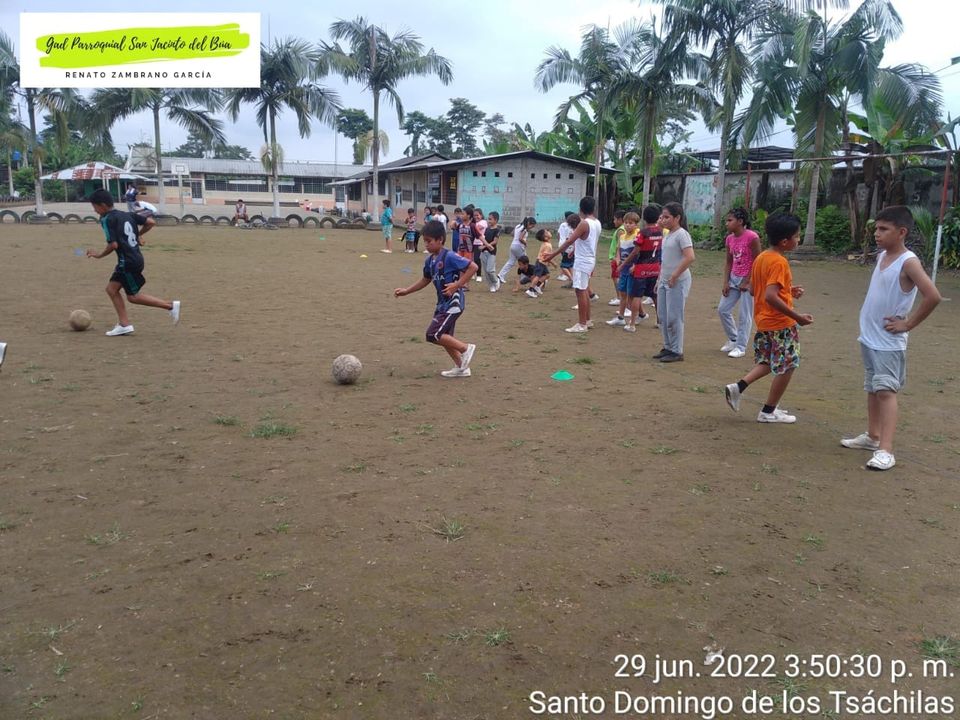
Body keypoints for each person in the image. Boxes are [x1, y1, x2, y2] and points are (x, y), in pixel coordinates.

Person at [840, 205, 941, 471]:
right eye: (876, 228)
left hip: (888, 343)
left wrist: (908, 324)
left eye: (884, 229)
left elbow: (933, 296)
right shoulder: (882, 256)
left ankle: (886, 450)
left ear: (902, 232)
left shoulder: (908, 262)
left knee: (886, 391)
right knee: (873, 389)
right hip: (869, 337)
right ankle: (873, 437)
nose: (877, 233)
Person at [723, 213, 812, 423]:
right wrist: (797, 317)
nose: (798, 240)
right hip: (780, 323)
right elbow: (770, 296)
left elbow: (755, 290)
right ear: (785, 241)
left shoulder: (762, 258)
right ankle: (768, 411)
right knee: (788, 365)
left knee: (768, 362)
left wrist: (788, 290)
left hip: (764, 322)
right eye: (797, 236)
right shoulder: (779, 262)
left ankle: (738, 387)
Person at [84, 188, 181, 337]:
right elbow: (150, 222)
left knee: (133, 297)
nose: (95, 210)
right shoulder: (127, 214)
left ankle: (170, 306)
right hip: (135, 258)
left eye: (94, 207)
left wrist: (98, 255)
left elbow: (113, 245)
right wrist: (137, 235)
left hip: (127, 262)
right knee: (111, 290)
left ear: (102, 205)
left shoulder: (106, 219)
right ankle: (124, 324)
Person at [394, 220, 478, 378]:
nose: (426, 245)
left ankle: (466, 348)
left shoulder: (450, 256)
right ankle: (462, 367)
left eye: (429, 241)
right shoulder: (429, 261)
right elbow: (425, 280)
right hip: (442, 304)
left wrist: (457, 285)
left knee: (433, 334)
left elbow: (473, 267)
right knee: (445, 337)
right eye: (424, 241)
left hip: (453, 303)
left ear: (440, 240)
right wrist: (407, 291)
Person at [547, 196, 601, 333]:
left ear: (580, 208)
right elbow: (586, 240)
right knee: (584, 289)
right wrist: (574, 251)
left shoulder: (584, 223)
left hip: (583, 261)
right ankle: (587, 321)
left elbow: (569, 241)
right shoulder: (597, 222)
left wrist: (552, 255)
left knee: (580, 291)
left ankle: (582, 324)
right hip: (589, 259)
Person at [654, 202, 695, 361]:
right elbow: (665, 260)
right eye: (662, 217)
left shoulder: (682, 234)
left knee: (674, 316)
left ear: (677, 218)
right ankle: (668, 346)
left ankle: (677, 350)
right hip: (665, 280)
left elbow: (689, 257)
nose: (663, 220)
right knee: (662, 316)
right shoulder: (668, 234)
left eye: (667, 217)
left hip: (677, 281)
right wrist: (660, 279)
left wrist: (675, 275)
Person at [719, 207, 762, 358]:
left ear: (740, 221)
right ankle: (733, 338)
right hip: (734, 277)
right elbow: (729, 262)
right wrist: (726, 282)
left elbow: (758, 260)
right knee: (723, 309)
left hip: (749, 280)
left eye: (730, 220)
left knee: (745, 314)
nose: (727, 223)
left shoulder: (752, 237)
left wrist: (747, 280)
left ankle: (741, 346)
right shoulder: (729, 239)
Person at [617, 204, 662, 332]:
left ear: (644, 218)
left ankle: (632, 324)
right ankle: (660, 321)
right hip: (655, 267)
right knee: (655, 295)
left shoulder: (643, 233)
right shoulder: (660, 232)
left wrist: (624, 264)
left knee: (636, 295)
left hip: (642, 268)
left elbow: (636, 251)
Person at [606, 211, 641, 327]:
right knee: (623, 293)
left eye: (631, 223)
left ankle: (635, 317)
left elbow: (639, 253)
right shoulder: (622, 236)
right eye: (626, 223)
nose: (627, 225)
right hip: (624, 269)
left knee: (631, 294)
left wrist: (636, 265)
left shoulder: (637, 236)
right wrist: (617, 259)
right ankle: (621, 317)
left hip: (632, 270)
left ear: (636, 224)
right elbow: (618, 250)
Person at [498, 216, 536, 285]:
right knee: (525, 262)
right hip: (519, 247)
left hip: (513, 245)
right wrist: (525, 243)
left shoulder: (518, 226)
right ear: (528, 223)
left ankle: (500, 275)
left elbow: (512, 234)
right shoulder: (525, 229)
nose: (531, 228)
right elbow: (520, 238)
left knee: (510, 262)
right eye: (532, 226)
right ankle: (523, 278)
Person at [608, 209, 626, 306]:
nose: (614, 221)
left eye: (615, 219)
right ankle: (619, 297)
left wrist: (616, 257)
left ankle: (619, 297)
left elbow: (619, 245)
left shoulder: (621, 230)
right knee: (616, 277)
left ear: (620, 220)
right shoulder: (622, 229)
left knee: (616, 278)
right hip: (616, 257)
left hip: (616, 258)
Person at [480, 211, 502, 291]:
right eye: (488, 219)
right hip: (483, 252)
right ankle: (491, 285)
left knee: (490, 270)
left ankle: (496, 281)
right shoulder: (487, 229)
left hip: (491, 252)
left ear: (495, 220)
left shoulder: (497, 230)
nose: (488, 221)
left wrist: (485, 246)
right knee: (486, 271)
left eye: (490, 219)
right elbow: (484, 239)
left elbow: (495, 241)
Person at [556, 212, 575, 282]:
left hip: (562, 245)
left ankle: (566, 276)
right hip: (568, 247)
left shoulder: (562, 224)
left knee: (566, 262)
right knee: (567, 263)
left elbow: (558, 234)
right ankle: (568, 277)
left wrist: (560, 242)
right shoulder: (571, 226)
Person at [471, 208, 488, 282]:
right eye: (474, 215)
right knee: (471, 259)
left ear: (481, 215)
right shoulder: (473, 223)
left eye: (477, 215)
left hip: (479, 243)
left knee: (477, 259)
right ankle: (472, 273)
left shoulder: (483, 222)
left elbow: (476, 229)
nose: (476, 217)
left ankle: (479, 275)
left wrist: (471, 226)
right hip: (472, 242)